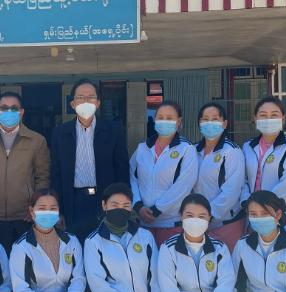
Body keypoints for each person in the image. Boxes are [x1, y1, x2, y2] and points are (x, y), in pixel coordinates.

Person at [0, 92, 50, 251]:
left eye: (14, 108)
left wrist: (36, 208)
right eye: (4, 108)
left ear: (22, 112)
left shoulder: (37, 141)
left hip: (24, 217)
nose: (9, 112)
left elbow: (43, 177)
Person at [50, 79, 129, 241]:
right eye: (80, 97)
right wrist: (58, 210)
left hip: (105, 201)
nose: (85, 101)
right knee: (75, 246)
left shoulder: (113, 131)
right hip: (73, 202)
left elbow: (122, 170)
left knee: (106, 245)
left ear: (98, 103)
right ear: (72, 104)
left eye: (90, 97)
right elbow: (56, 174)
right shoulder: (60, 133)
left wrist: (121, 205)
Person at [130, 101, 199, 247]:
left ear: (179, 122)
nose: (164, 121)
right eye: (160, 117)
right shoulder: (143, 148)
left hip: (171, 224)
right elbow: (132, 177)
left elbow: (183, 185)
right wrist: (138, 206)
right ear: (154, 120)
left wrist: (157, 210)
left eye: (169, 118)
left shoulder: (186, 149)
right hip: (143, 224)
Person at [241, 96, 286, 238]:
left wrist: (263, 206)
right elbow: (243, 180)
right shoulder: (248, 146)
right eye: (263, 115)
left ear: (283, 118)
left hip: (284, 214)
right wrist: (248, 203)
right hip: (255, 215)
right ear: (255, 118)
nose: (268, 119)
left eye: (274, 115)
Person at [194, 102, 246, 251]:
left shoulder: (232, 151)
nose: (209, 123)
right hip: (197, 223)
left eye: (215, 119)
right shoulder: (193, 150)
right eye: (205, 119)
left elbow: (232, 190)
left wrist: (209, 214)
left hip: (225, 223)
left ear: (224, 124)